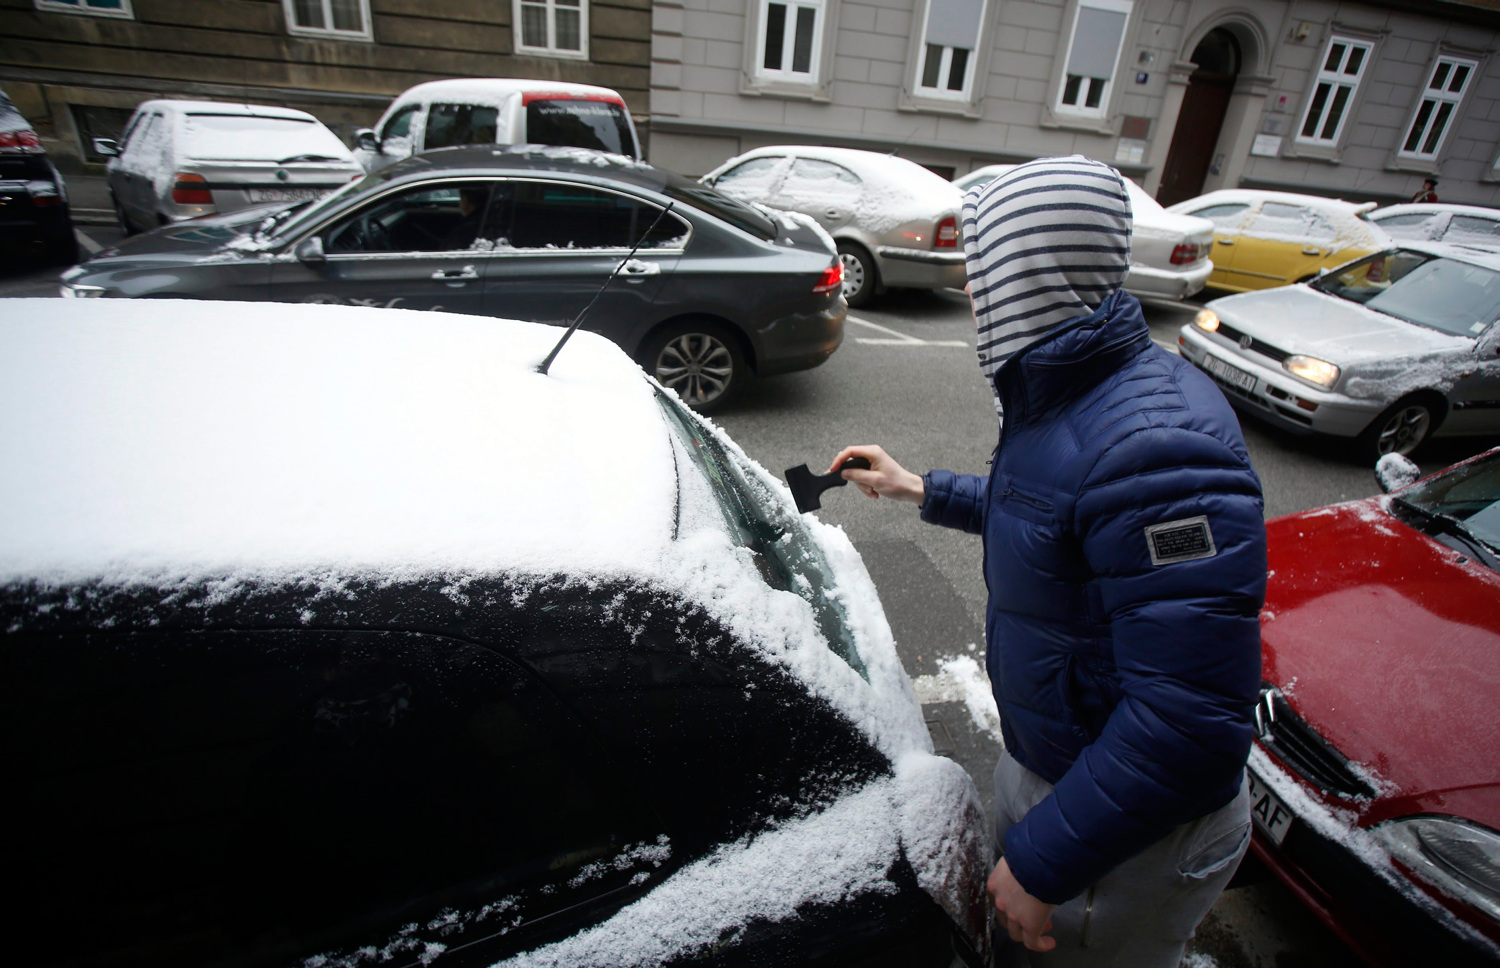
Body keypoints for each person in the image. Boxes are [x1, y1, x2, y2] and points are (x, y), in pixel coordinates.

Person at [829, 156, 1266, 966]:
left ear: (1038, 273)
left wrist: (1043, 861)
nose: (970, 287)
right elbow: (1052, 514)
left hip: (1129, 830)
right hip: (1073, 776)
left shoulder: (1159, 452)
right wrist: (920, 488)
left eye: (987, 265)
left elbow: (1190, 723)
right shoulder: (1077, 393)